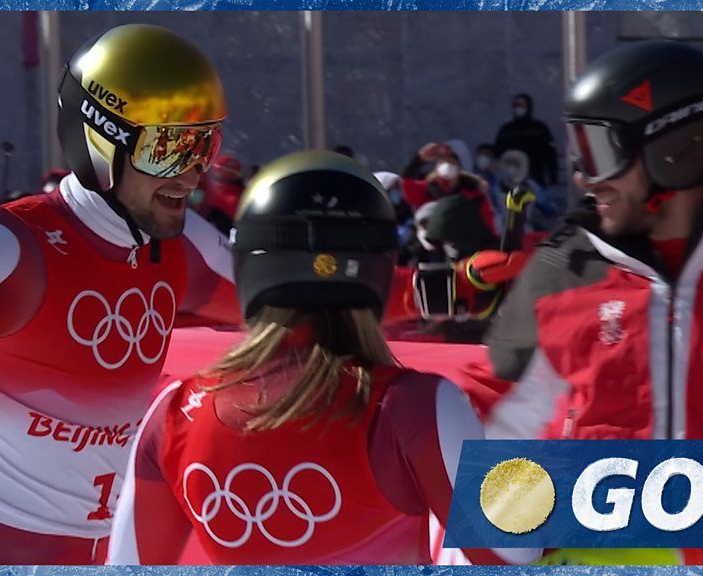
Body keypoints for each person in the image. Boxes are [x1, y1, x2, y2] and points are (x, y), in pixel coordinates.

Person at [0, 24, 237, 564]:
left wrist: (395, 285)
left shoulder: (180, 243)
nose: (189, 176)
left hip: (105, 548)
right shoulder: (8, 243)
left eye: (203, 146)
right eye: (167, 149)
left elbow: (291, 295)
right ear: (100, 141)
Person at [106, 151, 539, 565]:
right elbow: (512, 553)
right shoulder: (414, 406)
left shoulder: (174, 412)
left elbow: (126, 566)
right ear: (382, 266)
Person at [485, 39, 703, 445]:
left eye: (598, 152)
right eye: (577, 153)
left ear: (675, 151)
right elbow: (506, 428)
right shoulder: (562, 270)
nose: (582, 178)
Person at [399, 142, 496, 234]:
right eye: (442, 162)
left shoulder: (474, 192)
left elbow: (487, 224)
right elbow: (406, 184)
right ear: (436, 167)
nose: (447, 165)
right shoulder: (427, 189)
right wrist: (419, 160)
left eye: (451, 161)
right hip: (434, 240)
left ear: (458, 167)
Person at [494, 93, 559, 189]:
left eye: (522, 105)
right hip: (511, 179)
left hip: (535, 177)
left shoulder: (539, 128)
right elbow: (497, 153)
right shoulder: (506, 130)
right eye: (516, 105)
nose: (519, 108)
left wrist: (553, 176)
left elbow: (550, 154)